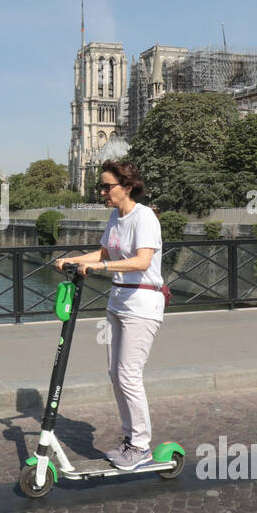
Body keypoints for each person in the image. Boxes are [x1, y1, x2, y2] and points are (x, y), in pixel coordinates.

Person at [52, 160, 164, 470]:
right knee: (116, 375)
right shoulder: (116, 216)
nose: (102, 192)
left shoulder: (145, 218)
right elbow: (104, 253)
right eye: (100, 187)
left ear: (127, 187)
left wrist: (99, 268)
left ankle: (141, 446)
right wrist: (71, 259)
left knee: (129, 375)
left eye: (107, 187)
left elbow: (141, 262)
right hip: (118, 301)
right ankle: (131, 441)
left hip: (143, 303)